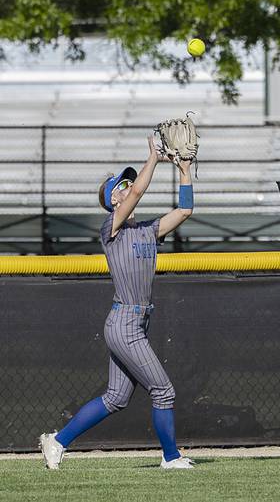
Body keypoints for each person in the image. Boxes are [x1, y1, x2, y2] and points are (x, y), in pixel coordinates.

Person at [38, 136, 195, 470]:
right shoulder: (111, 227)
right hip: (125, 324)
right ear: (112, 200)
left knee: (116, 398)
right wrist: (152, 158)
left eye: (128, 183)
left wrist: (184, 170)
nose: (128, 188)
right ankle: (170, 457)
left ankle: (57, 441)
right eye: (120, 186)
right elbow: (138, 192)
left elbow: (185, 210)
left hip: (135, 323)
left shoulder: (147, 230)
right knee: (163, 390)